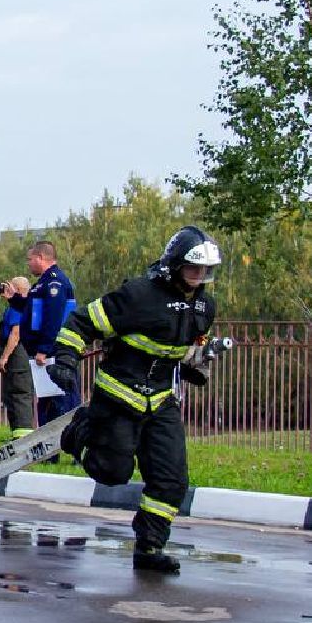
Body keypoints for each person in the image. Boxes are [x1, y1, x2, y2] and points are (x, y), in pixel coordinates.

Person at [47, 226, 221, 574]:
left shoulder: (204, 305)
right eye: (192, 267)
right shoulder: (139, 294)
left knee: (171, 480)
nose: (199, 275)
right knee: (112, 473)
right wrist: (65, 358)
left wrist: (192, 366)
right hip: (118, 396)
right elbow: (83, 321)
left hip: (160, 400)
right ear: (175, 264)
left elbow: (186, 349)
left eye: (204, 270)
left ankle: (150, 547)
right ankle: (79, 433)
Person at [23, 240, 79, 425]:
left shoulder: (55, 281)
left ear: (40, 257)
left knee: (58, 403)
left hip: (53, 353)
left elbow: (53, 318)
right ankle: (48, 450)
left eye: (30, 259)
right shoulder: (43, 282)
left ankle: (63, 445)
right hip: (45, 351)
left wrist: (44, 349)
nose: (28, 263)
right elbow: (34, 312)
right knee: (47, 403)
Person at [0, 276, 36, 438]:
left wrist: (4, 357)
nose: (5, 289)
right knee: (10, 393)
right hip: (15, 352)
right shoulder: (18, 306)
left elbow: (16, 333)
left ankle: (23, 435)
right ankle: (16, 433)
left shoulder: (18, 308)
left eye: (9, 286)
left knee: (19, 392)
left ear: (17, 290)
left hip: (17, 353)